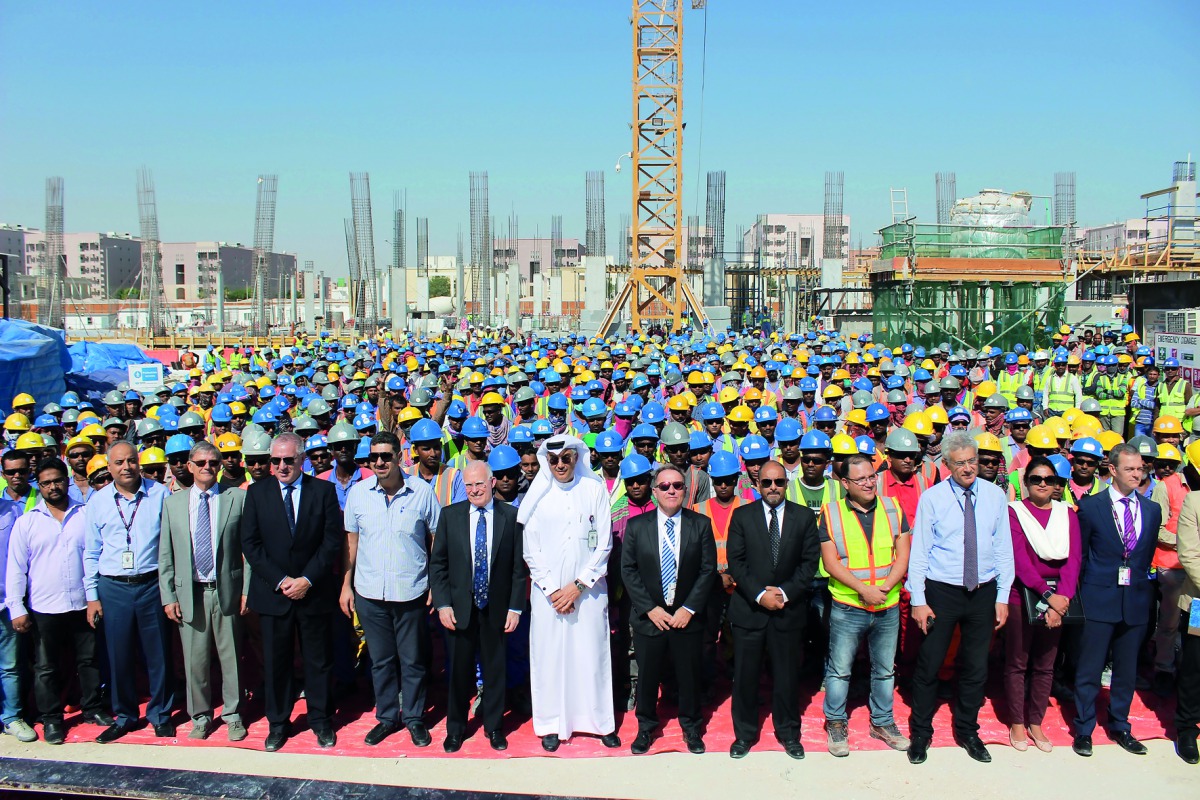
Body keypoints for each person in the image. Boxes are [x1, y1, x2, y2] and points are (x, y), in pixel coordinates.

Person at [906, 430, 1014, 765]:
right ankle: (920, 733)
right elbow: (920, 551)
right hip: (942, 591)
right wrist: (918, 599)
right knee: (930, 664)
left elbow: (1003, 548)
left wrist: (1002, 596)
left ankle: (968, 730)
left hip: (983, 592)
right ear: (948, 465)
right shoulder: (933, 498)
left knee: (976, 666)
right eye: (960, 463)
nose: (968, 468)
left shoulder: (995, 496)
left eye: (972, 461)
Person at [241, 432, 343, 752]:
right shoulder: (256, 493)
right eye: (276, 460)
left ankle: (321, 720)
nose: (281, 466)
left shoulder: (323, 491)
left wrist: (306, 580)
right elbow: (251, 544)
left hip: (313, 592)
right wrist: (282, 580)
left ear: (302, 459)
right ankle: (278, 723)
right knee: (276, 663)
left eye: (288, 460)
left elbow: (331, 541)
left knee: (318, 661)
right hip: (274, 595)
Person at [340, 431, 442, 748]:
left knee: (413, 661)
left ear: (399, 456)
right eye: (374, 457)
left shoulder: (422, 492)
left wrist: (435, 584)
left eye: (386, 456)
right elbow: (351, 544)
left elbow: (436, 540)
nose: (380, 462)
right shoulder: (358, 495)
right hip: (369, 593)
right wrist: (346, 585)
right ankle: (386, 717)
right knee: (381, 661)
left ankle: (413, 718)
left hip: (411, 592)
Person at [519, 433, 620, 752]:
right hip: (548, 596)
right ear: (546, 462)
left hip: (588, 591)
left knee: (591, 655)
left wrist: (577, 586)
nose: (560, 465)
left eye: (566, 458)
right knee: (550, 657)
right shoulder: (538, 495)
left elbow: (604, 543)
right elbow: (530, 550)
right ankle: (551, 724)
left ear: (577, 458)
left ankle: (599, 722)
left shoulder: (593, 489)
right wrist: (553, 590)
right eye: (554, 460)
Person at [6, 458, 111, 745]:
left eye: (57, 480)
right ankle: (51, 719)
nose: (53, 487)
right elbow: (16, 568)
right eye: (46, 483)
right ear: (38, 486)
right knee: (46, 667)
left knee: (89, 660)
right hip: (44, 607)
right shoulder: (27, 522)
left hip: (83, 603)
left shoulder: (86, 515)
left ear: (67, 480)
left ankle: (92, 708)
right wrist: (17, 608)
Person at [1071, 443, 1162, 758]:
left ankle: (1121, 725)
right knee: (1090, 667)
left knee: (1126, 669)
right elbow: (1082, 556)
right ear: (1112, 470)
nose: (1137, 474)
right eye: (1130, 469)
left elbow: (1145, 555)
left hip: (1135, 598)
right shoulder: (1092, 507)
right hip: (1099, 596)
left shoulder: (1151, 510)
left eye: (1140, 469)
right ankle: (1084, 728)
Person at [726, 459, 820, 760]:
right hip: (749, 612)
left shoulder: (804, 517)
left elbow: (809, 563)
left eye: (779, 482)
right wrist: (759, 595)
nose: (773, 487)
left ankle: (789, 733)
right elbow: (736, 562)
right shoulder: (742, 516)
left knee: (787, 677)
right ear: (757, 485)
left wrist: (783, 594)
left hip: (787, 611)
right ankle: (744, 734)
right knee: (745, 677)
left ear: (786, 484)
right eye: (767, 482)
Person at [82, 441, 176, 743]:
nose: (126, 467)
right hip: (114, 587)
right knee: (118, 655)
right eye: (119, 462)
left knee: (158, 654)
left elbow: (170, 543)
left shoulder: (159, 494)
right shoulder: (97, 502)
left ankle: (160, 714)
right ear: (109, 467)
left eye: (131, 461)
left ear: (139, 462)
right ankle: (125, 716)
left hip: (151, 584)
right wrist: (92, 596)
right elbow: (91, 551)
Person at [430, 460, 525, 753]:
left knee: (495, 670)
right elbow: (438, 564)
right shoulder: (450, 516)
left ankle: (494, 727)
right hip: (459, 610)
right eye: (469, 485)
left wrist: (515, 608)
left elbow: (518, 569)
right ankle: (456, 729)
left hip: (496, 609)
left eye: (479, 484)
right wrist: (443, 604)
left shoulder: (511, 516)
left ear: (492, 483)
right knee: (459, 672)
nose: (474, 490)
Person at [819, 454, 911, 757]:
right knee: (839, 670)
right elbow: (831, 563)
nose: (869, 483)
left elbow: (903, 554)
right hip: (848, 606)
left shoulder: (892, 507)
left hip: (887, 604)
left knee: (884, 670)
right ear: (845, 483)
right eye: (861, 479)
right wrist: (863, 590)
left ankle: (882, 722)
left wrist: (882, 589)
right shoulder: (831, 513)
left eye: (872, 476)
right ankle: (835, 722)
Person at [157, 441, 249, 742]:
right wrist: (168, 596)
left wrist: (246, 590)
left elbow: (248, 551)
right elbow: (166, 554)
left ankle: (233, 715)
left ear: (220, 465)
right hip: (191, 593)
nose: (207, 467)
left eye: (213, 462)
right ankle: (200, 716)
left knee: (231, 658)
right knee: (195, 662)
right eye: (201, 463)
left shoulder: (237, 498)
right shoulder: (173, 504)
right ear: (190, 466)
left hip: (227, 591)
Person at [621, 464, 716, 755]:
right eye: (665, 486)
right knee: (648, 677)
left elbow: (707, 570)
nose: (671, 490)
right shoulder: (637, 526)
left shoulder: (700, 524)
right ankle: (646, 727)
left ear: (685, 490)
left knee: (689, 675)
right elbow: (629, 570)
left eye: (677, 485)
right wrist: (650, 609)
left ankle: (691, 726)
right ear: (655, 491)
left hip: (686, 617)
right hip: (651, 618)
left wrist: (689, 608)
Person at [1004, 456, 1081, 753]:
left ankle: (1035, 722)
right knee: (1017, 662)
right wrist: (1048, 597)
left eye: (1049, 479)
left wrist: (1061, 601)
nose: (1043, 484)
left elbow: (1073, 560)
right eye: (1036, 478)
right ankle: (1017, 722)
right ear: (1026, 482)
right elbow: (1020, 561)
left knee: (1045, 665)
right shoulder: (1015, 512)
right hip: (1023, 595)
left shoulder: (1067, 514)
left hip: (1059, 598)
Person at [1174, 486, 1200, 764]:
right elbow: (1190, 554)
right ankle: (1187, 727)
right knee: (1194, 665)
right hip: (1199, 601)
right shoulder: (1195, 501)